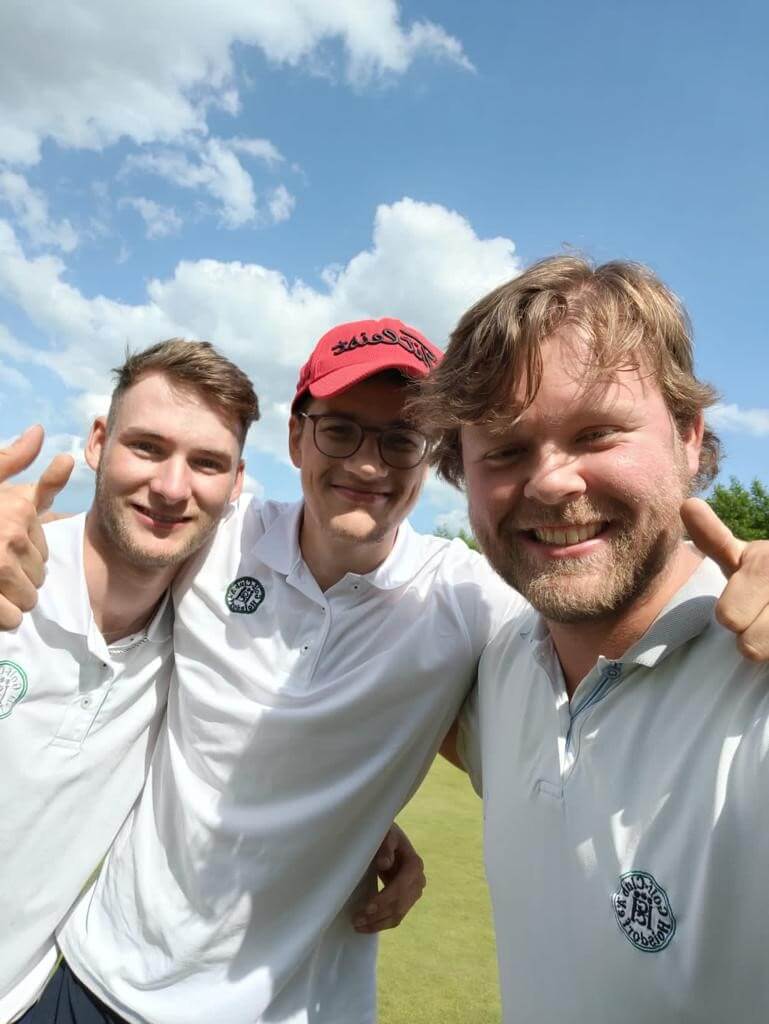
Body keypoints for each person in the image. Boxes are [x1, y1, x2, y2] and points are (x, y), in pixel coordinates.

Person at [3, 318, 526, 1024]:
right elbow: (99, 539)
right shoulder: (215, 540)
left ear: (430, 456)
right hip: (95, 985)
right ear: (296, 437)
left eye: (401, 440)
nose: (368, 466)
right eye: (340, 430)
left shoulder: (468, 599)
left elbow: (584, 673)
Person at [415, 255, 769, 1022]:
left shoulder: (758, 684)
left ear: (686, 437)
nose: (549, 483)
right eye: (504, 452)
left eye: (596, 433)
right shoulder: (505, 664)